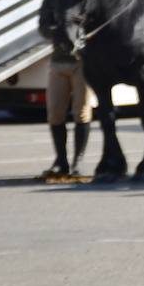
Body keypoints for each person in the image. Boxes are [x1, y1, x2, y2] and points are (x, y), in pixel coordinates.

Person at [39, 40, 92, 182]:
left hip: (81, 62)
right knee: (54, 114)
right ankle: (61, 161)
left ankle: (78, 161)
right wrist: (57, 31)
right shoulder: (55, 16)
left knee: (81, 112)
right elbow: (43, 26)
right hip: (58, 63)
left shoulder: (82, 15)